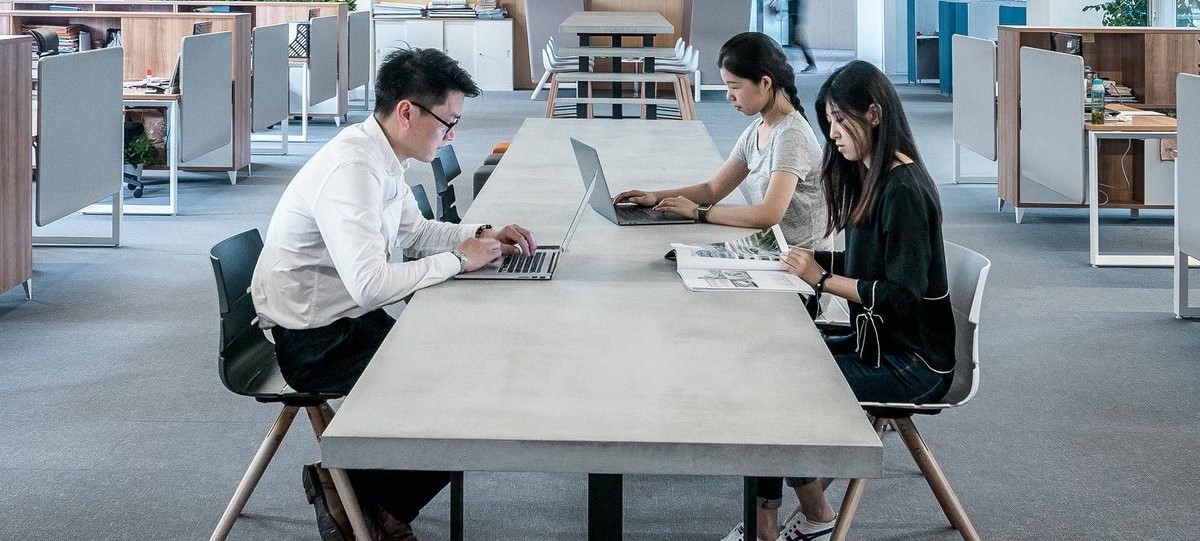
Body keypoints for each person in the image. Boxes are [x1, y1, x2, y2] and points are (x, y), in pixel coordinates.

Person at [250, 47, 537, 541]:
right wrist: (460, 260)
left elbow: (416, 233)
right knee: (468, 390)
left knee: (477, 368)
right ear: (407, 112)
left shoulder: (381, 156)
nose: (452, 135)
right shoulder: (352, 170)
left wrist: (483, 234)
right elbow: (370, 285)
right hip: (314, 340)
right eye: (448, 123)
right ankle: (367, 497)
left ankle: (363, 495)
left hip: (345, 320)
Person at [721, 59, 957, 541]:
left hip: (913, 363)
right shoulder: (874, 176)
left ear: (874, 114)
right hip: (878, 341)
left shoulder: (904, 189)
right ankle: (811, 512)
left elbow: (902, 296)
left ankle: (773, 525)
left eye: (840, 121)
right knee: (773, 363)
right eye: (828, 121)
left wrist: (823, 278)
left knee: (777, 385)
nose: (832, 134)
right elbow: (873, 265)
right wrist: (808, 261)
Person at [613, 32, 829, 251]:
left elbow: (769, 214)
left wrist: (699, 212)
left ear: (765, 83)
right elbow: (712, 189)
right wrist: (654, 197)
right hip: (774, 249)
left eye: (735, 86)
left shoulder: (791, 135)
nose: (728, 96)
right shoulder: (757, 130)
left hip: (802, 261)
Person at [787, 0, 817, 73]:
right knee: (794, 41)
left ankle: (811, 63)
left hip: (793, 16)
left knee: (794, 41)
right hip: (793, 16)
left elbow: (793, 5)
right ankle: (811, 63)